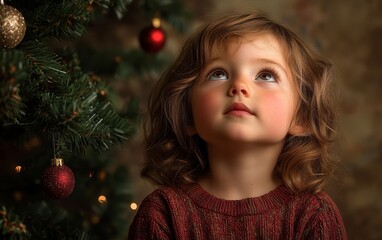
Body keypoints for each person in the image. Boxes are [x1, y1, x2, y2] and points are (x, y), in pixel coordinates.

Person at [128, 11, 347, 240]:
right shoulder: (162, 213)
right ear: (187, 115)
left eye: (265, 75)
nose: (239, 86)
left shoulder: (314, 214)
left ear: (300, 116)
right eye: (219, 73)